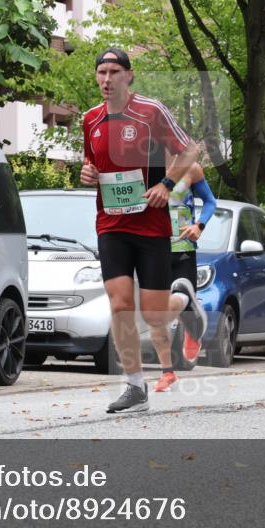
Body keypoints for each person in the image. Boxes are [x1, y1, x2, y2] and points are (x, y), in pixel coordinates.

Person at [79, 47, 206, 413]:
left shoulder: (151, 111)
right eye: (101, 72)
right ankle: (135, 387)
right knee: (120, 306)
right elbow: (92, 163)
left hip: (150, 227)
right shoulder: (90, 119)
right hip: (111, 224)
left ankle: (184, 306)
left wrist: (166, 184)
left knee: (153, 316)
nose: (107, 79)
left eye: (114, 72)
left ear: (129, 75)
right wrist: (87, 173)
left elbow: (189, 150)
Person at [151, 160, 217, 393]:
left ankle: (193, 327)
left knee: (178, 298)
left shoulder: (191, 168)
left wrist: (199, 226)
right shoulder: (140, 169)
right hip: (153, 250)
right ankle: (167, 372)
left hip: (182, 251)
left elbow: (210, 202)